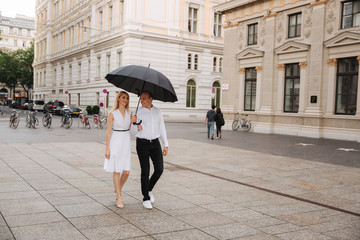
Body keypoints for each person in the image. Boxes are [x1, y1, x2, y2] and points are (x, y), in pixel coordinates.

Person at [131, 91, 168, 210]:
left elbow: (161, 127)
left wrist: (165, 144)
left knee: (159, 169)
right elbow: (133, 132)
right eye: (141, 98)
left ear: (151, 99)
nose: (142, 101)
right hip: (142, 143)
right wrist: (135, 124)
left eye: (145, 98)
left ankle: (149, 189)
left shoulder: (157, 111)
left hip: (155, 142)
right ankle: (146, 198)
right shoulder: (137, 111)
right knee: (145, 170)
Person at [104, 91, 132, 209]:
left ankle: (117, 189)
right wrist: (107, 148)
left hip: (126, 141)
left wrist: (135, 122)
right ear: (119, 99)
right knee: (117, 170)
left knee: (126, 172)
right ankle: (119, 197)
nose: (125, 100)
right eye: (123, 97)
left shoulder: (130, 113)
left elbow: (131, 128)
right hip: (116, 141)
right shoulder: (113, 113)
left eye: (127, 98)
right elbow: (108, 132)